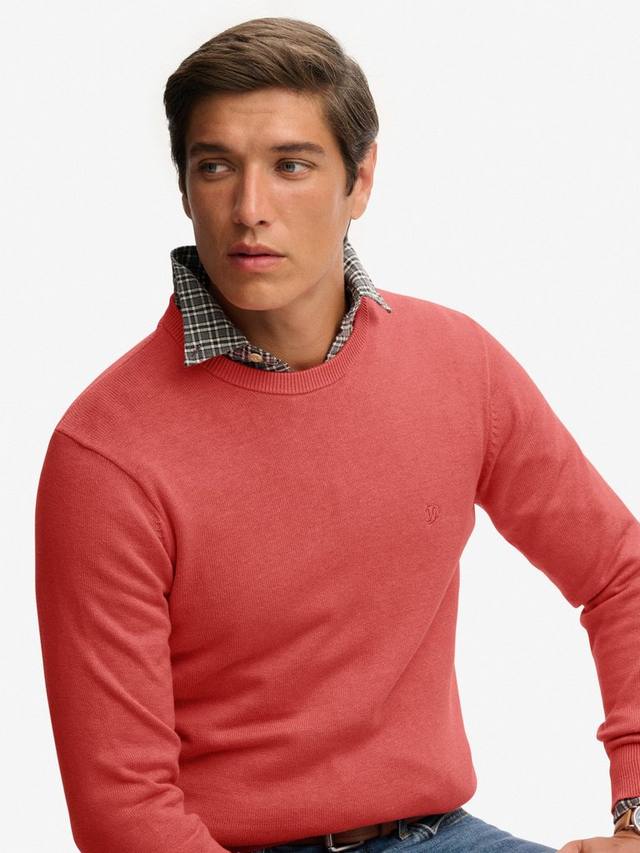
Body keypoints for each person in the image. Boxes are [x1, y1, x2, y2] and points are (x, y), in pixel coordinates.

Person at [34, 16, 640, 853]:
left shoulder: (457, 363)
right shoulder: (107, 454)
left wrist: (637, 811)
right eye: (216, 166)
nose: (250, 210)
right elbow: (124, 810)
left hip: (441, 834)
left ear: (360, 181)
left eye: (291, 165)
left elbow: (619, 572)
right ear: (184, 187)